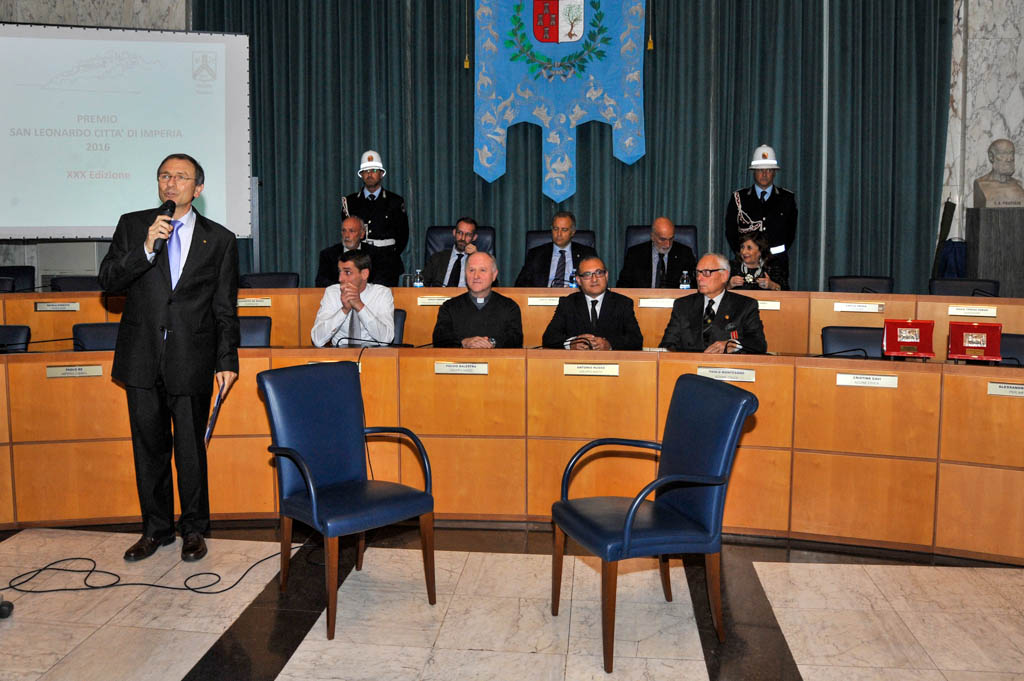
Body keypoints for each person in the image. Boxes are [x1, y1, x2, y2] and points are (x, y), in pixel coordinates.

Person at [98, 153, 239, 563]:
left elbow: (224, 307)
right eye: (164, 176)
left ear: (199, 188)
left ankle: (194, 529)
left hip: (191, 357)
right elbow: (108, 281)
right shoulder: (133, 226)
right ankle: (155, 530)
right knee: (149, 450)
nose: (171, 183)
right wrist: (145, 247)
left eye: (181, 177)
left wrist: (226, 360)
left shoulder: (221, 239)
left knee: (190, 450)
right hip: (141, 356)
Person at [659, 253, 767, 354]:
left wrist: (732, 345)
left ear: (724, 276)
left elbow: (759, 343)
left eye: (706, 272)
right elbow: (667, 345)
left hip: (726, 366)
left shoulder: (745, 305)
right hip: (690, 365)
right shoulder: (683, 305)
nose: (699, 278)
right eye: (697, 273)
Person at [542, 256, 643, 350]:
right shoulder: (568, 303)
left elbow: (636, 340)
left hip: (611, 361)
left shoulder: (623, 303)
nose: (594, 279)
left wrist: (610, 344)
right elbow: (549, 338)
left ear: (606, 275)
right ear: (578, 280)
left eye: (599, 273)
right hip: (576, 361)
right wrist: (571, 344)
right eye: (587, 275)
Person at [341, 150, 409, 286]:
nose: (370, 174)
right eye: (366, 171)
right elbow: (348, 234)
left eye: (374, 170)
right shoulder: (350, 202)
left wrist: (389, 255)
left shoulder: (395, 201)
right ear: (361, 175)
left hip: (387, 263)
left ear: (381, 174)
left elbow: (402, 235)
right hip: (359, 262)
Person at [432, 251, 523, 348]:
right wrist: (464, 342)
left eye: (482, 270)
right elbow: (440, 338)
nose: (476, 276)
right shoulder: (449, 307)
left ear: (494, 275)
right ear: (465, 274)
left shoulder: (509, 307)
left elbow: (516, 339)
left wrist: (492, 342)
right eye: (471, 270)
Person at [724, 144, 797, 264]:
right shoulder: (739, 198)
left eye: (768, 170)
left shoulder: (786, 199)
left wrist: (770, 255)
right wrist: (746, 255)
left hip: (776, 264)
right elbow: (731, 233)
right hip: (745, 263)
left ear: (774, 172)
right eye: (760, 170)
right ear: (753, 172)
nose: (764, 174)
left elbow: (789, 235)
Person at [311, 250, 395, 347]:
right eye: (340, 272)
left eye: (347, 272)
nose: (340, 279)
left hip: (372, 353)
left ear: (364, 274)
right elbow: (317, 340)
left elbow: (386, 339)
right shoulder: (332, 293)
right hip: (340, 353)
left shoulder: (381, 294)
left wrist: (360, 306)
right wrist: (344, 310)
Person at [514, 211, 597, 287]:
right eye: (555, 229)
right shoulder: (536, 254)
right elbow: (520, 284)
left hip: (575, 297)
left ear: (572, 232)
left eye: (564, 230)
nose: (559, 234)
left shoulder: (587, 253)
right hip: (543, 296)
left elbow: (595, 283)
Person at [617, 217, 697, 288]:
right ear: (652, 236)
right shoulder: (635, 254)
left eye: (671, 239)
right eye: (663, 239)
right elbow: (622, 285)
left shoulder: (685, 254)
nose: (667, 244)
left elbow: (694, 285)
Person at [314, 216, 379, 287]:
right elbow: (321, 282)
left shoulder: (375, 254)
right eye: (344, 231)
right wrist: (344, 287)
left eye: (351, 231)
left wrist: (359, 288)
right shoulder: (328, 254)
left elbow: (381, 280)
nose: (346, 235)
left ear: (362, 234)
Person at [423, 217, 479, 286]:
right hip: (441, 292)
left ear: (474, 237)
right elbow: (420, 283)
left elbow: (489, 285)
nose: (463, 238)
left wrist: (477, 257)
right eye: (460, 233)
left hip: (466, 292)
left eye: (468, 235)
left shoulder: (478, 259)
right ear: (454, 233)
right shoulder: (437, 258)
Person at [973, 138, 1024, 207]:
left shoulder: (1018, 184)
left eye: (1011, 153)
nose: (1009, 159)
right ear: (991, 157)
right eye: (1003, 154)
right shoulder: (981, 184)